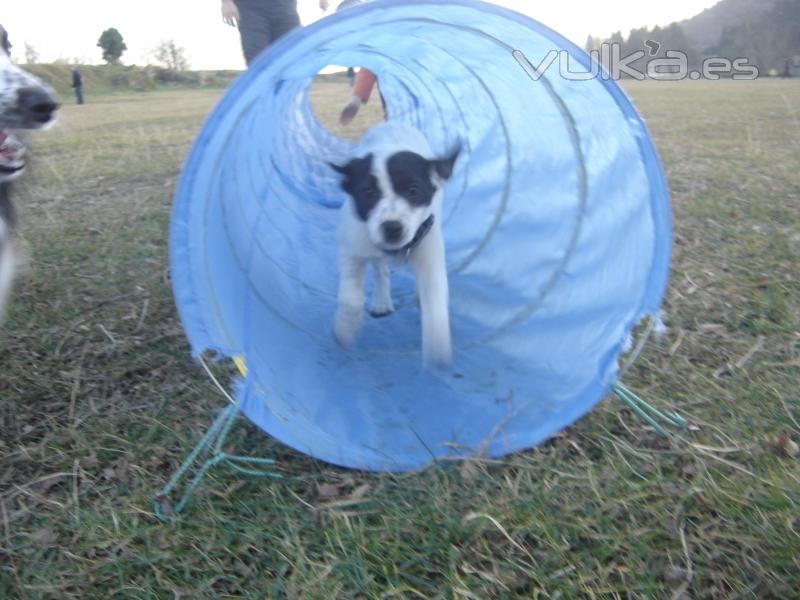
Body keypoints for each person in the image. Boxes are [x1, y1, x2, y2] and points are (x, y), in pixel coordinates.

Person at [222, 0, 330, 66]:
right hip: (251, 10)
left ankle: (286, 101)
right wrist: (227, 2)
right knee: (257, 59)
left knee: (291, 56)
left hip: (285, 9)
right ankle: (262, 100)